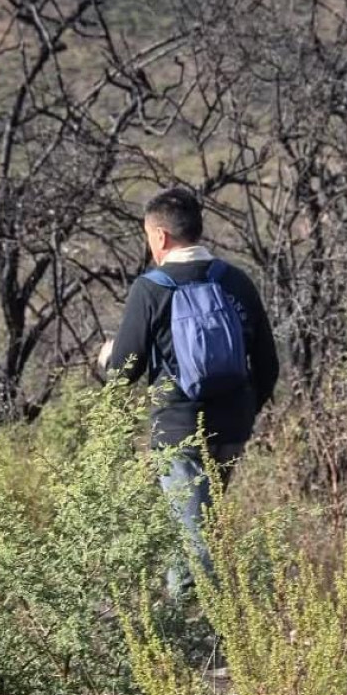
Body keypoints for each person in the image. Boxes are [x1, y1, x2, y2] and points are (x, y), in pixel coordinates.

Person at [105, 187, 279, 601]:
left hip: (179, 429)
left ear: (160, 237)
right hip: (232, 427)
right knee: (200, 524)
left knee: (192, 533)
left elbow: (124, 371)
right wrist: (245, 411)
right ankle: (196, 627)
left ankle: (207, 638)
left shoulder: (151, 288)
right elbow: (268, 365)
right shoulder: (235, 280)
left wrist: (107, 357)